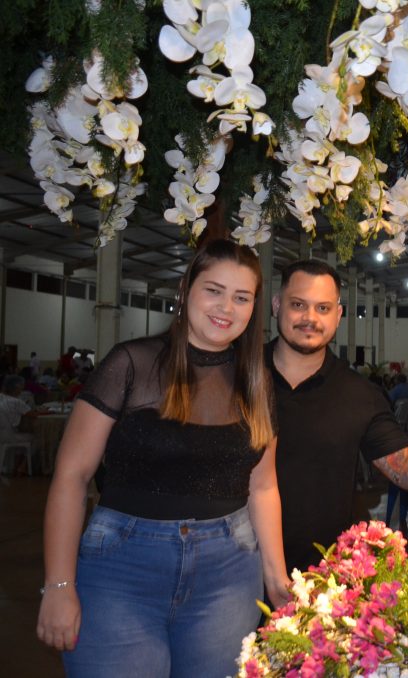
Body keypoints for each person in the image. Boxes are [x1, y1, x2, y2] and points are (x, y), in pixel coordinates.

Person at [36, 240, 289, 677]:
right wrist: (58, 584)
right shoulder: (131, 364)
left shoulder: (257, 381)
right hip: (121, 570)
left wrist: (277, 577)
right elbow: (72, 475)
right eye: (214, 290)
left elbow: (263, 485)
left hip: (228, 574)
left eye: (241, 297)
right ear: (185, 289)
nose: (226, 307)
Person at [268, 259, 408, 573]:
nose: (310, 318)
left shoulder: (359, 394)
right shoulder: (241, 375)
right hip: (234, 568)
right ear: (277, 305)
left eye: (323, 308)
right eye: (298, 304)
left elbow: (407, 466)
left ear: (338, 315)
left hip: (322, 572)